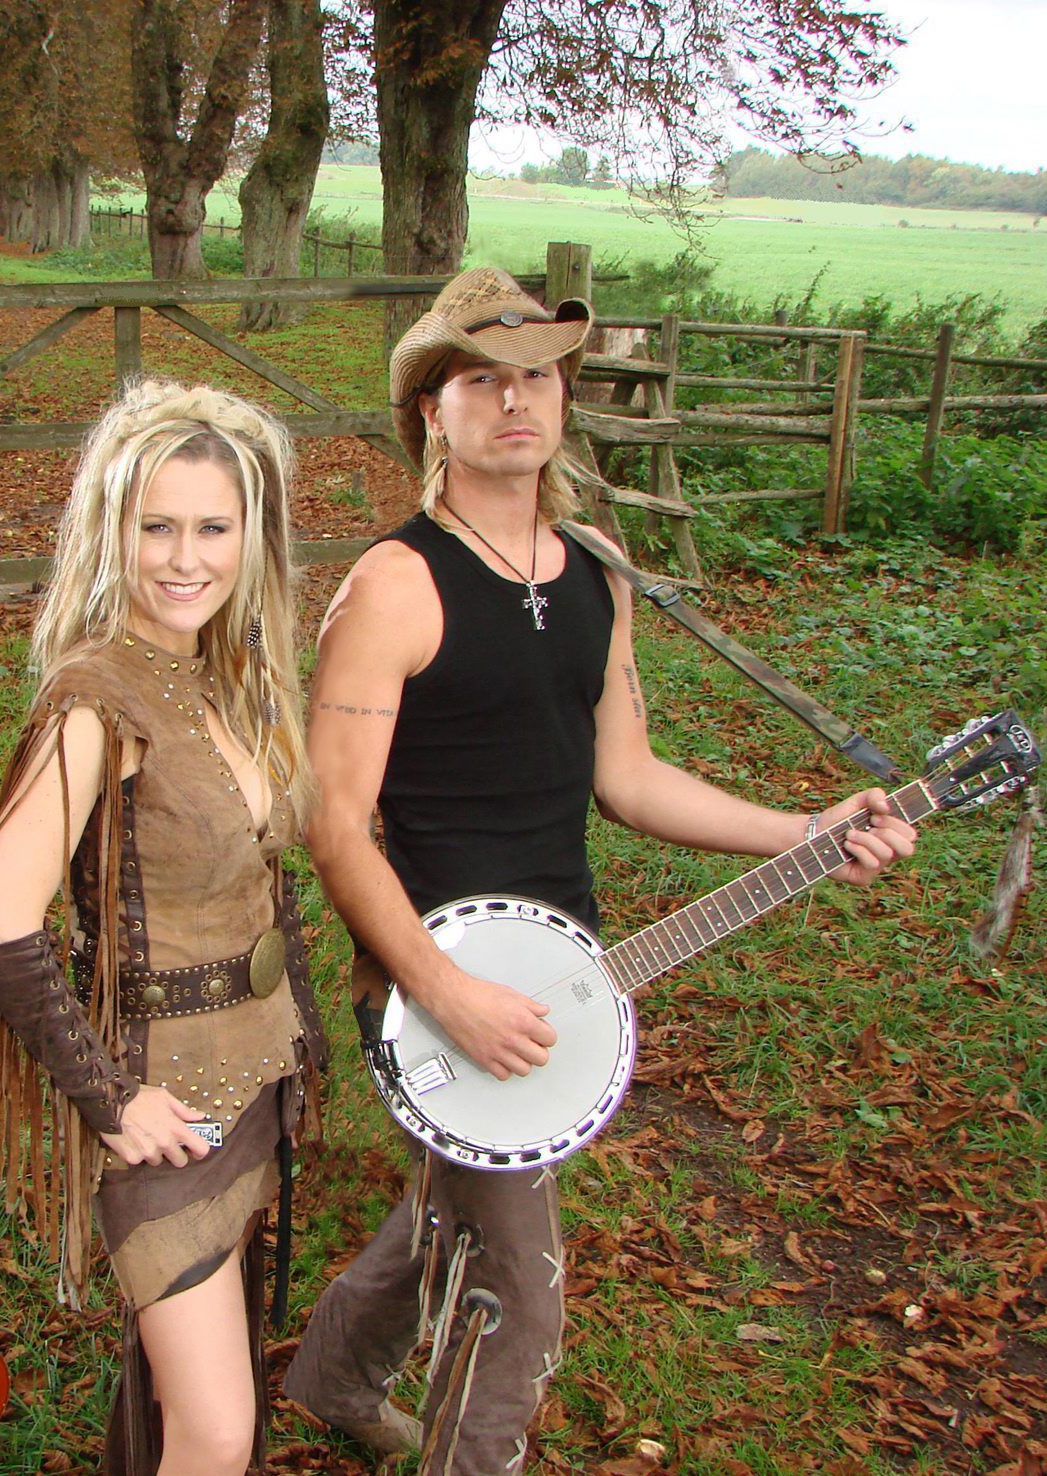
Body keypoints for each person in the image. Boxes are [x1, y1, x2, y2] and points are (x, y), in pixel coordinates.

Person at [282, 266, 917, 1474]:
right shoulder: (393, 585)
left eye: (536, 376)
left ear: (563, 398)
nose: (513, 399)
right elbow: (335, 825)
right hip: (429, 982)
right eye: (480, 378)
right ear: (430, 411)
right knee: (518, 1297)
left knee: (454, 1204)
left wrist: (805, 829)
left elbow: (626, 778)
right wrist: (442, 990)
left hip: (564, 969)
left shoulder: (594, 567)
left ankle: (332, 1378)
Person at [0, 380, 326, 1476]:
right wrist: (110, 1100)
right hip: (169, 1108)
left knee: (193, 1405)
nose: (184, 558)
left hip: (252, 1076)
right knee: (215, 1431)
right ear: (108, 529)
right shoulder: (96, 699)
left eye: (212, 528)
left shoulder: (221, 676)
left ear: (251, 538)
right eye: (155, 526)